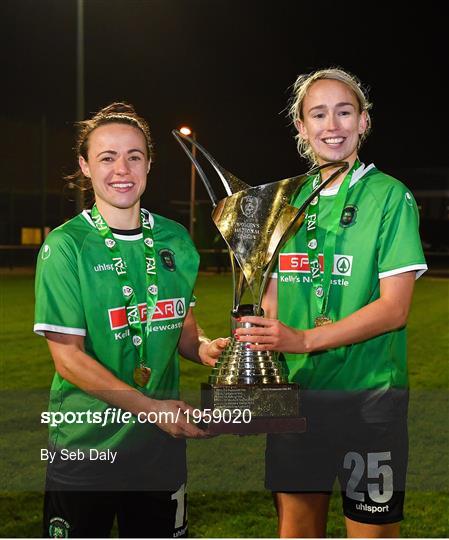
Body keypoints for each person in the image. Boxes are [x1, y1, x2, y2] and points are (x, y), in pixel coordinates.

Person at [235, 68, 427, 538]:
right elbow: (273, 295)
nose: (332, 124)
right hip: (296, 402)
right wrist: (251, 345)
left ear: (364, 122)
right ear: (301, 128)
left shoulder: (390, 197)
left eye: (344, 112)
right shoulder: (284, 201)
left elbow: (394, 308)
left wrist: (303, 339)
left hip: (370, 402)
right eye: (318, 114)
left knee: (371, 533)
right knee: (297, 530)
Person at [34, 102, 227, 538]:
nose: (122, 168)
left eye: (134, 156)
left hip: (159, 449)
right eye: (107, 157)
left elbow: (184, 335)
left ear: (148, 164)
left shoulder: (175, 239)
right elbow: (69, 361)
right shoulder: (66, 247)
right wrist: (152, 409)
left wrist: (209, 350)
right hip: (87, 449)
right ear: (85, 166)